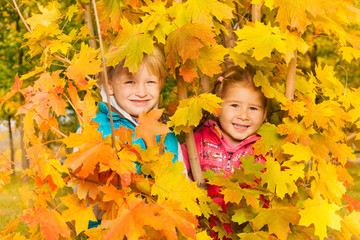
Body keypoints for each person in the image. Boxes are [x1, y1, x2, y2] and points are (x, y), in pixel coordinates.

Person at [88, 45, 185, 227]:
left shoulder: (166, 135)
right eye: (130, 82)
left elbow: (182, 185)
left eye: (150, 82)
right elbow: (86, 191)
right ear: (109, 85)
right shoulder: (95, 128)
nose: (141, 92)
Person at [181, 65, 268, 239]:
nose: (243, 115)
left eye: (253, 108)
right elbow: (177, 172)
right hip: (200, 232)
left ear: (265, 113)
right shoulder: (199, 139)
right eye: (235, 105)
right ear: (218, 106)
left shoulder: (264, 151)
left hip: (244, 233)